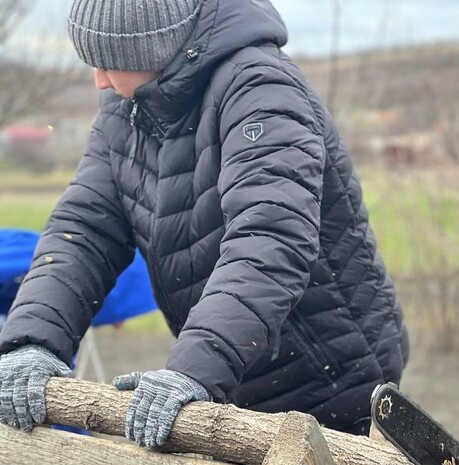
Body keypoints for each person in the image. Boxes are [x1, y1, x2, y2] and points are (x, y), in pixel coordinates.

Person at [0, 0, 408, 449]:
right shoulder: (125, 109)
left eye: (110, 62)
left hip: (331, 376)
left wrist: (193, 370)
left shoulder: (260, 88)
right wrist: (33, 341)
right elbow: (84, 230)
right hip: (237, 373)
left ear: (151, 50)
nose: (99, 80)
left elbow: (270, 238)